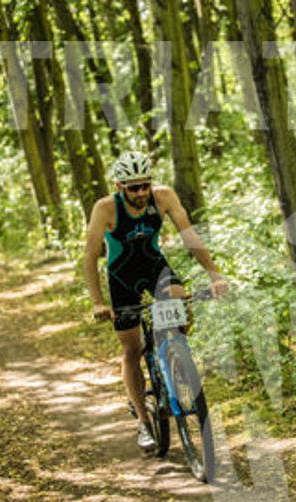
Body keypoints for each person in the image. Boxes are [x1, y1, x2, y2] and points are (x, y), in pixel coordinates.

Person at [83, 151, 227, 451]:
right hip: (122, 276)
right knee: (131, 349)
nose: (141, 192)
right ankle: (142, 422)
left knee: (180, 301)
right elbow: (90, 255)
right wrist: (98, 302)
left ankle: (174, 354)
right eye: (133, 187)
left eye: (145, 185)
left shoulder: (163, 198)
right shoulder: (105, 208)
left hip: (154, 267)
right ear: (120, 187)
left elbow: (190, 237)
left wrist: (214, 275)